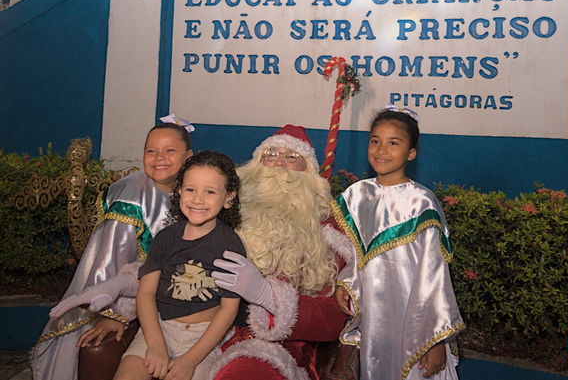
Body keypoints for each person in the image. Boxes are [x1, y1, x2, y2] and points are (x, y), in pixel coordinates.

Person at [33, 121, 193, 380]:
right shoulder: (131, 196)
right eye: (151, 151)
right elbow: (111, 261)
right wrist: (115, 314)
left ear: (189, 156)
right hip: (128, 291)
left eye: (170, 151)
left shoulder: (193, 189)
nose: (159, 158)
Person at [208, 125, 354, 380]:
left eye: (292, 156)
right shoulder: (223, 212)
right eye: (271, 154)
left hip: (274, 346)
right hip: (200, 330)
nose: (280, 163)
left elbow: (332, 318)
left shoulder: (326, 229)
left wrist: (269, 298)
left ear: (308, 171)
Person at [331, 104, 465, 380]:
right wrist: (345, 282)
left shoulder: (422, 202)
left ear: (411, 153)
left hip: (415, 321)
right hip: (373, 318)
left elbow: (434, 275)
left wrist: (437, 339)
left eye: (393, 143)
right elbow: (353, 254)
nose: (382, 150)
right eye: (375, 141)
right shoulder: (356, 195)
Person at [113, 151, 245, 380]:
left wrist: (191, 360)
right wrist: (155, 344)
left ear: (228, 198)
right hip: (158, 328)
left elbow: (228, 309)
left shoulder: (230, 245)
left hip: (203, 339)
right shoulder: (165, 238)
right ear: (180, 191)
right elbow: (146, 293)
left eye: (210, 192)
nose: (197, 199)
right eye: (190, 189)